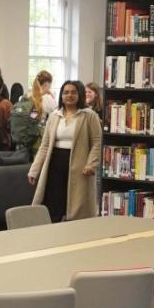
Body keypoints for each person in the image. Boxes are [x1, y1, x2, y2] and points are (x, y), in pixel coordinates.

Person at [28, 80, 103, 222]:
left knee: (76, 209)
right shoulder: (55, 116)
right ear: (61, 95)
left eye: (73, 92)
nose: (69, 95)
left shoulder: (89, 115)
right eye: (66, 92)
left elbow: (97, 142)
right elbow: (44, 145)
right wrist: (34, 170)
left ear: (80, 94)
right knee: (54, 206)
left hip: (80, 168)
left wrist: (91, 164)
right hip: (55, 166)